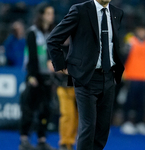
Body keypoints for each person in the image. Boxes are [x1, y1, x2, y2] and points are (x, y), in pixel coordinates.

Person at [47, 0, 124, 149]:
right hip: (86, 78)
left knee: (102, 130)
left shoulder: (116, 13)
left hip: (108, 77)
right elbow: (53, 39)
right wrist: (62, 67)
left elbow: (113, 44)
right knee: (88, 127)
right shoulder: (79, 10)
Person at [19, 3, 56, 150]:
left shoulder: (52, 32)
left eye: (52, 13)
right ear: (41, 15)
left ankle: (41, 140)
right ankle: (24, 140)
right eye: (48, 13)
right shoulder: (32, 32)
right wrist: (31, 76)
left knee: (46, 109)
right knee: (29, 108)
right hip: (35, 76)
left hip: (48, 77)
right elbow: (32, 56)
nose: (51, 16)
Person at [120, 25, 145, 136]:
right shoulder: (130, 42)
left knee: (142, 102)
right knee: (129, 101)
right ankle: (126, 123)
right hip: (131, 76)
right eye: (141, 30)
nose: (143, 33)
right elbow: (123, 57)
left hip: (143, 77)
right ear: (137, 31)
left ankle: (140, 123)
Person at [47, 40, 78, 150]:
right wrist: (67, 70)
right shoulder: (55, 46)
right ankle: (64, 143)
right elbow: (50, 65)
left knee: (77, 116)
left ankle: (70, 142)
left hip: (78, 85)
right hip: (63, 86)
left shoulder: (76, 45)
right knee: (67, 114)